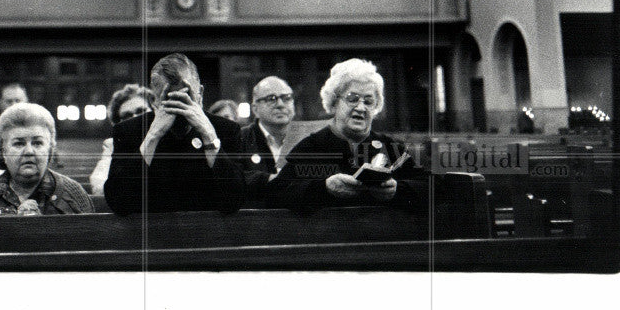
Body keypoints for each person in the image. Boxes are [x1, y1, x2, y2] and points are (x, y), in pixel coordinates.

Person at [267, 59, 422, 213]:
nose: (361, 108)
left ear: (376, 106)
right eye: (352, 99)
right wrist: (324, 188)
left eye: (368, 101)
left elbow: (432, 187)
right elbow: (275, 193)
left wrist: (398, 190)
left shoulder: (390, 147)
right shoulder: (312, 146)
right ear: (334, 102)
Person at [103, 53, 245, 215]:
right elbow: (118, 202)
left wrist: (209, 136)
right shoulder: (129, 131)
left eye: (186, 96)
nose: (179, 106)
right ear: (153, 101)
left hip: (208, 234)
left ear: (200, 94)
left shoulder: (226, 130)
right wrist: (152, 137)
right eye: (170, 99)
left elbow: (235, 200)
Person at [0, 103, 93, 216]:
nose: (29, 151)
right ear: (3, 151)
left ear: (49, 150)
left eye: (37, 143)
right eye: (19, 144)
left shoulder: (74, 194)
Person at [89, 84, 154, 196]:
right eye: (127, 116)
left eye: (141, 111)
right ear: (118, 125)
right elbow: (99, 185)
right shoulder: (113, 146)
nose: (136, 118)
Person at [239, 76, 295, 205]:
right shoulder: (240, 139)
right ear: (255, 109)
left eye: (286, 98)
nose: (280, 104)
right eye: (271, 99)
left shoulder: (308, 137)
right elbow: (235, 178)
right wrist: (269, 180)